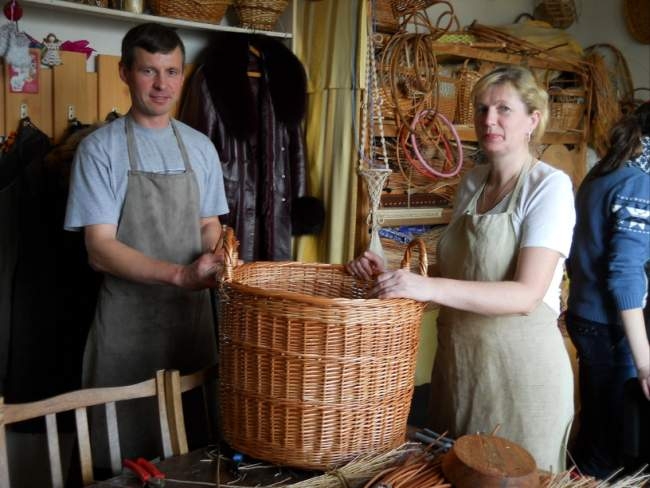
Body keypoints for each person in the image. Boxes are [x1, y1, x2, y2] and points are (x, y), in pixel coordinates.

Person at [347, 66, 575, 472]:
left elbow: (526, 294)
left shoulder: (548, 187)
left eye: (504, 109)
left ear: (533, 120)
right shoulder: (471, 184)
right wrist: (394, 275)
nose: (489, 120)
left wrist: (424, 288)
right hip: (460, 371)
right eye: (482, 108)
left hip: (521, 378)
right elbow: (463, 275)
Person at [64, 23, 228, 464]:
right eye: (148, 71)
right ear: (125, 73)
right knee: (119, 458)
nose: (161, 85)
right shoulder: (100, 150)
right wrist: (180, 275)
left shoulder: (200, 147)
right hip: (126, 328)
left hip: (191, 328)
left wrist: (219, 255)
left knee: (195, 452)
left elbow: (208, 223)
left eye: (171, 71)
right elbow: (99, 248)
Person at [565, 102, 650, 479]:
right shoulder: (639, 181)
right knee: (610, 442)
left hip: (585, 313)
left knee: (597, 423)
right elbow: (624, 273)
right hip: (609, 325)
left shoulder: (607, 169)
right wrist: (645, 363)